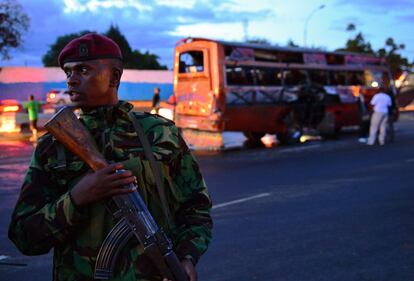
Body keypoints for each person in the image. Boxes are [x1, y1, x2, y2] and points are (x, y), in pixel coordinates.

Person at [8, 33, 212, 281]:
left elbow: (196, 206)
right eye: (68, 72)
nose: (71, 80)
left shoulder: (159, 133)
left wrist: (187, 257)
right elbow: (24, 236)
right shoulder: (53, 145)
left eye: (82, 70)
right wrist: (77, 198)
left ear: (114, 76)